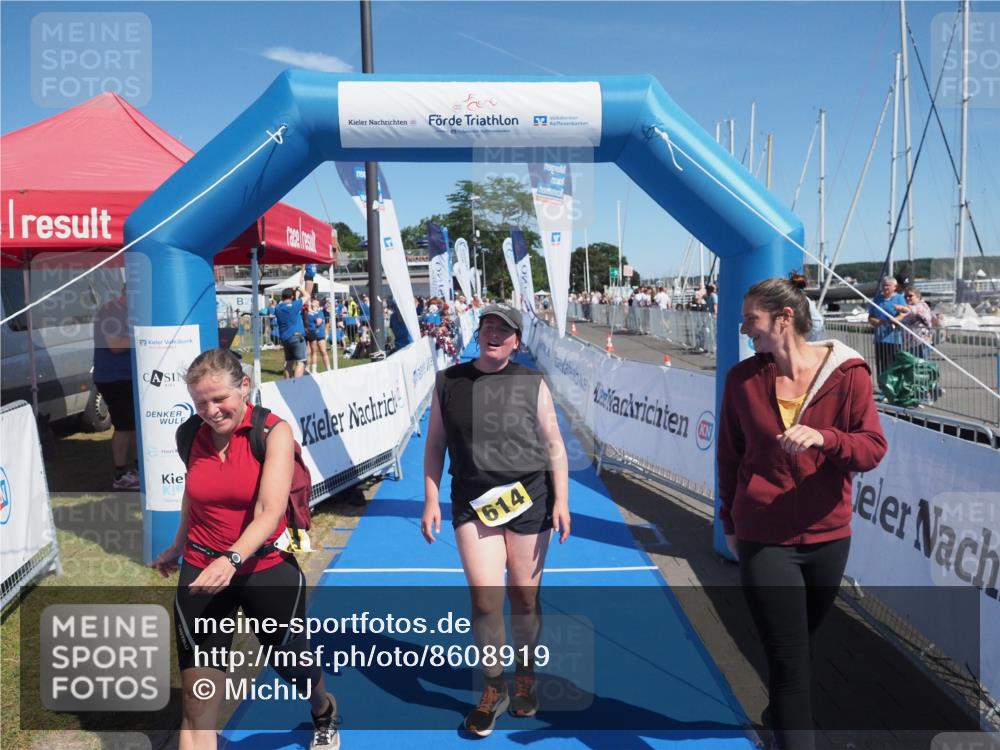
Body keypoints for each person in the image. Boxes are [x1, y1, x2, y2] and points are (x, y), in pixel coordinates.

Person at [718, 278, 888, 750]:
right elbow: (730, 457)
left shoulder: (849, 374)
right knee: (790, 663)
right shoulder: (741, 380)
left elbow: (872, 448)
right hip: (764, 537)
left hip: (828, 537)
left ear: (784, 318)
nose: (744, 327)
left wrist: (826, 438)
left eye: (751, 318)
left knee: (799, 649)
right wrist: (728, 519)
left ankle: (778, 719)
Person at [151, 348, 339, 750]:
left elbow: (269, 512)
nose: (211, 411)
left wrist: (231, 558)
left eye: (220, 399)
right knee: (197, 704)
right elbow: (195, 493)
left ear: (245, 387)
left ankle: (323, 709)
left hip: (263, 568)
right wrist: (177, 544)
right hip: (202, 569)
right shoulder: (190, 434)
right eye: (200, 402)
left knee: (293, 665)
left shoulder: (272, 432)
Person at [421, 303, 571, 737]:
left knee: (524, 597)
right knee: (486, 600)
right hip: (473, 501)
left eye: (503, 330)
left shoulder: (531, 382)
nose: (493, 333)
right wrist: (430, 499)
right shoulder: (448, 381)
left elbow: (554, 443)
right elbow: (435, 445)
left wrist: (562, 500)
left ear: (516, 342)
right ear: (478, 333)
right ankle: (493, 687)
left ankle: (524, 675)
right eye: (487, 325)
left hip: (530, 498)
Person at [93, 286, 139, 489]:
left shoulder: (125, 311)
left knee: (133, 425)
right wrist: (143, 336)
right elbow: (116, 345)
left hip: (126, 376)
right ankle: (120, 475)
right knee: (124, 426)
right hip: (114, 378)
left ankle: (138, 469)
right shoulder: (110, 312)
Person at [867, 276, 906, 383]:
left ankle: (894, 385)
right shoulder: (877, 299)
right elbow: (870, 317)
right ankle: (883, 385)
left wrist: (895, 320)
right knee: (881, 363)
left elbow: (904, 314)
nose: (885, 287)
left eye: (888, 285)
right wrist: (877, 321)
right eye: (884, 285)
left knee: (894, 363)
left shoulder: (899, 298)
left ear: (894, 287)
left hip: (894, 337)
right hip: (880, 337)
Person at [274, 288, 308, 378]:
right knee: (301, 362)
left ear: (282, 297)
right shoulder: (295, 305)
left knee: (289, 362)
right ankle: (297, 384)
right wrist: (300, 288)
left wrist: (294, 295)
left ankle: (288, 383)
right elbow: (307, 296)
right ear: (292, 296)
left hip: (285, 338)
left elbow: (285, 304)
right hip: (297, 336)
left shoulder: (277, 308)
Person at [305, 298, 331, 374]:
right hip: (311, 334)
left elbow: (318, 322)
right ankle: (308, 369)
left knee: (323, 351)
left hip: (319, 334)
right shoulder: (308, 312)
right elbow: (307, 321)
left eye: (315, 302)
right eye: (313, 301)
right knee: (310, 352)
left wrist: (313, 318)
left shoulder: (320, 312)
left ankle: (328, 368)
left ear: (318, 304)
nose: (313, 303)